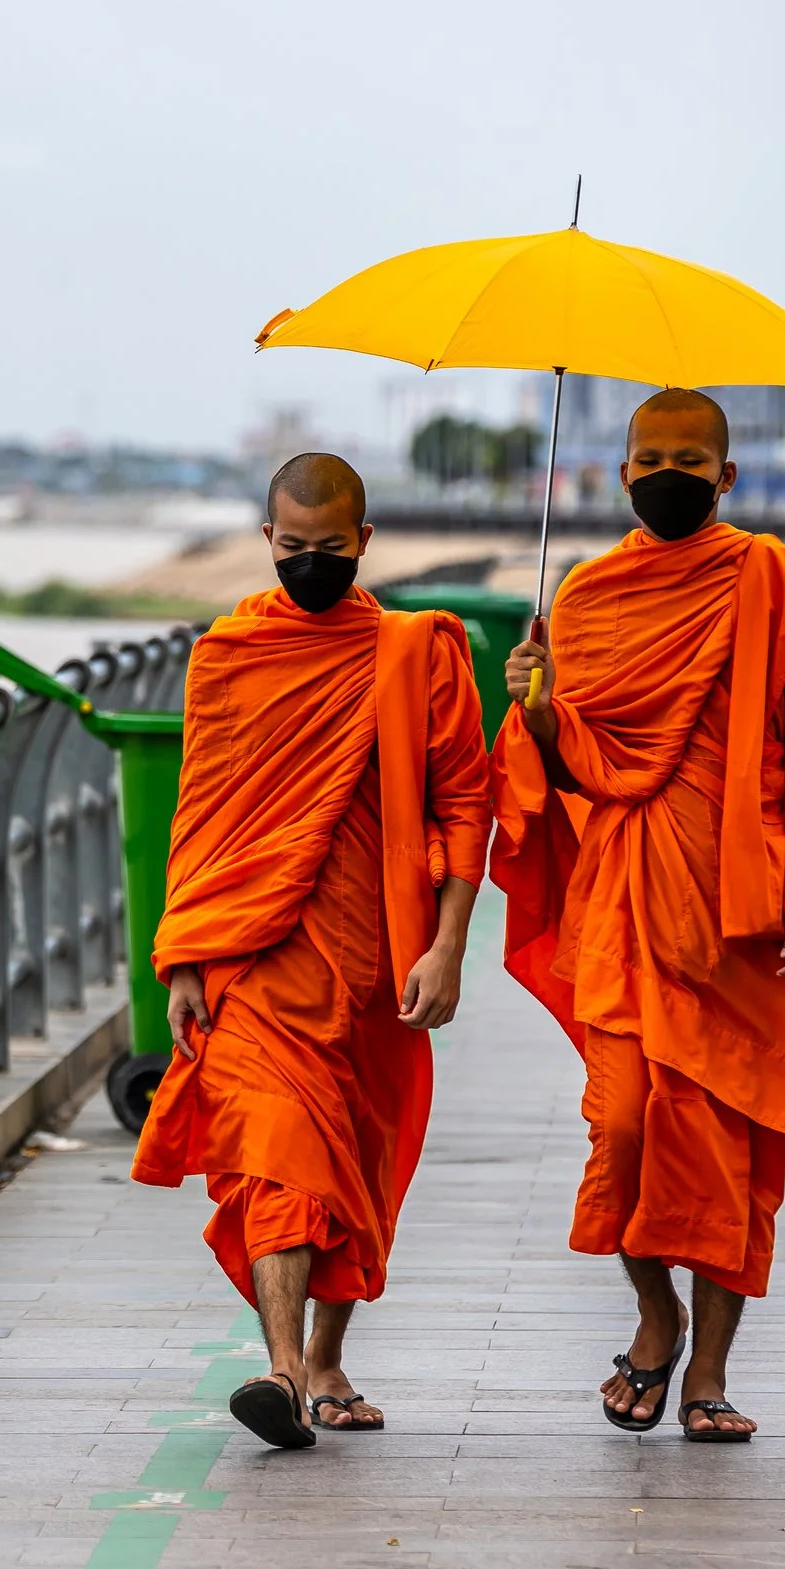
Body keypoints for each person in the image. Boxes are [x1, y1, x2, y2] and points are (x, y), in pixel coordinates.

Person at [492, 387, 785, 1442]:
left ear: (726, 476)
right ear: (618, 472)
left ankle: (706, 1372)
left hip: (746, 915)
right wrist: (536, 707)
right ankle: (652, 1316)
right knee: (622, 1125)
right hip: (625, 901)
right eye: (649, 457)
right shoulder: (589, 595)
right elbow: (572, 764)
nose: (668, 476)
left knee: (732, 1149)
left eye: (688, 461)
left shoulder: (774, 587)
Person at [131, 451, 491, 1449]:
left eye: (330, 549)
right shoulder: (231, 651)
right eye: (293, 549)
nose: (310, 563)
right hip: (254, 954)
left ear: (364, 542)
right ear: (266, 541)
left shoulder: (415, 650)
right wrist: (185, 957)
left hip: (380, 955)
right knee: (280, 1151)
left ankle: (326, 1357)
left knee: (362, 1163)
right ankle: (284, 1369)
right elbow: (199, 807)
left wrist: (449, 945)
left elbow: (467, 802)